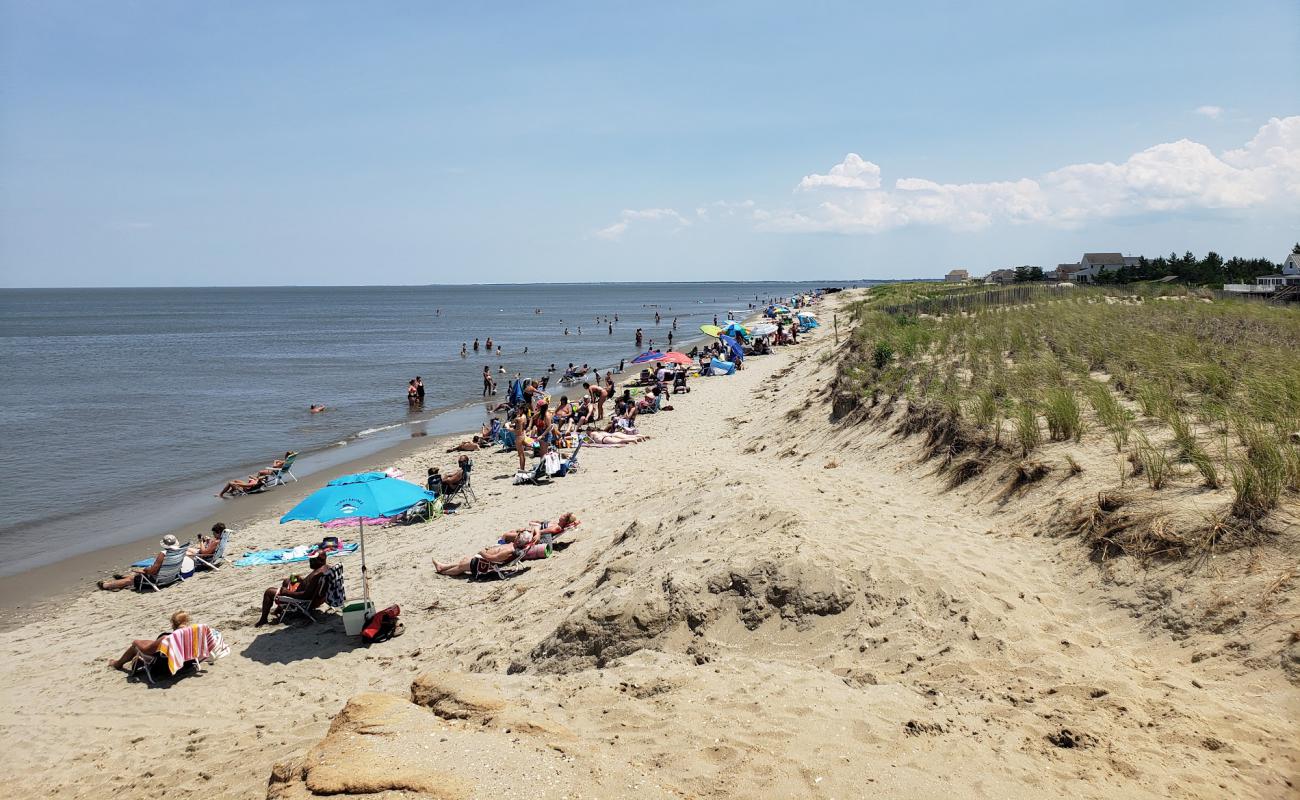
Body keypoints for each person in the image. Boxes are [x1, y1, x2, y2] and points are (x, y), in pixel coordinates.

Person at [256, 551, 330, 626]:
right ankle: (280, 608)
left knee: (269, 592)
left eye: (313, 560)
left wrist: (286, 592)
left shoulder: (316, 575)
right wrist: (302, 580)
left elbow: (305, 595)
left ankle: (263, 619)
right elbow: (311, 586)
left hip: (303, 602)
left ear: (321, 560)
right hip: (316, 597)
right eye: (310, 560)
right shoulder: (326, 569)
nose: (310, 562)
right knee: (287, 581)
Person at [107, 610, 192, 672]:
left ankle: (117, 664)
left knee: (135, 647)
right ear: (187, 621)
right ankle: (139, 661)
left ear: (173, 624)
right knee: (151, 643)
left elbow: (147, 650)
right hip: (187, 662)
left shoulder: (168, 638)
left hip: (166, 667)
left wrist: (136, 642)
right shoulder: (193, 633)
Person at [98, 534, 187, 591]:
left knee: (132, 580)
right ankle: (122, 577)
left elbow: (153, 571)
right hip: (173, 576)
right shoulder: (180, 551)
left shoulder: (163, 554)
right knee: (138, 576)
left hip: (160, 580)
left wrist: (145, 569)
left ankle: (106, 585)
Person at [499, 512, 581, 544]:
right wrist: (538, 523)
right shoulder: (556, 523)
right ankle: (502, 543)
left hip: (533, 535)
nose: (562, 515)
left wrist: (526, 530)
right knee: (511, 532)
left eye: (564, 515)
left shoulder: (557, 528)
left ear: (565, 520)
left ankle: (500, 545)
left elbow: (540, 532)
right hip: (533, 530)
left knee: (506, 535)